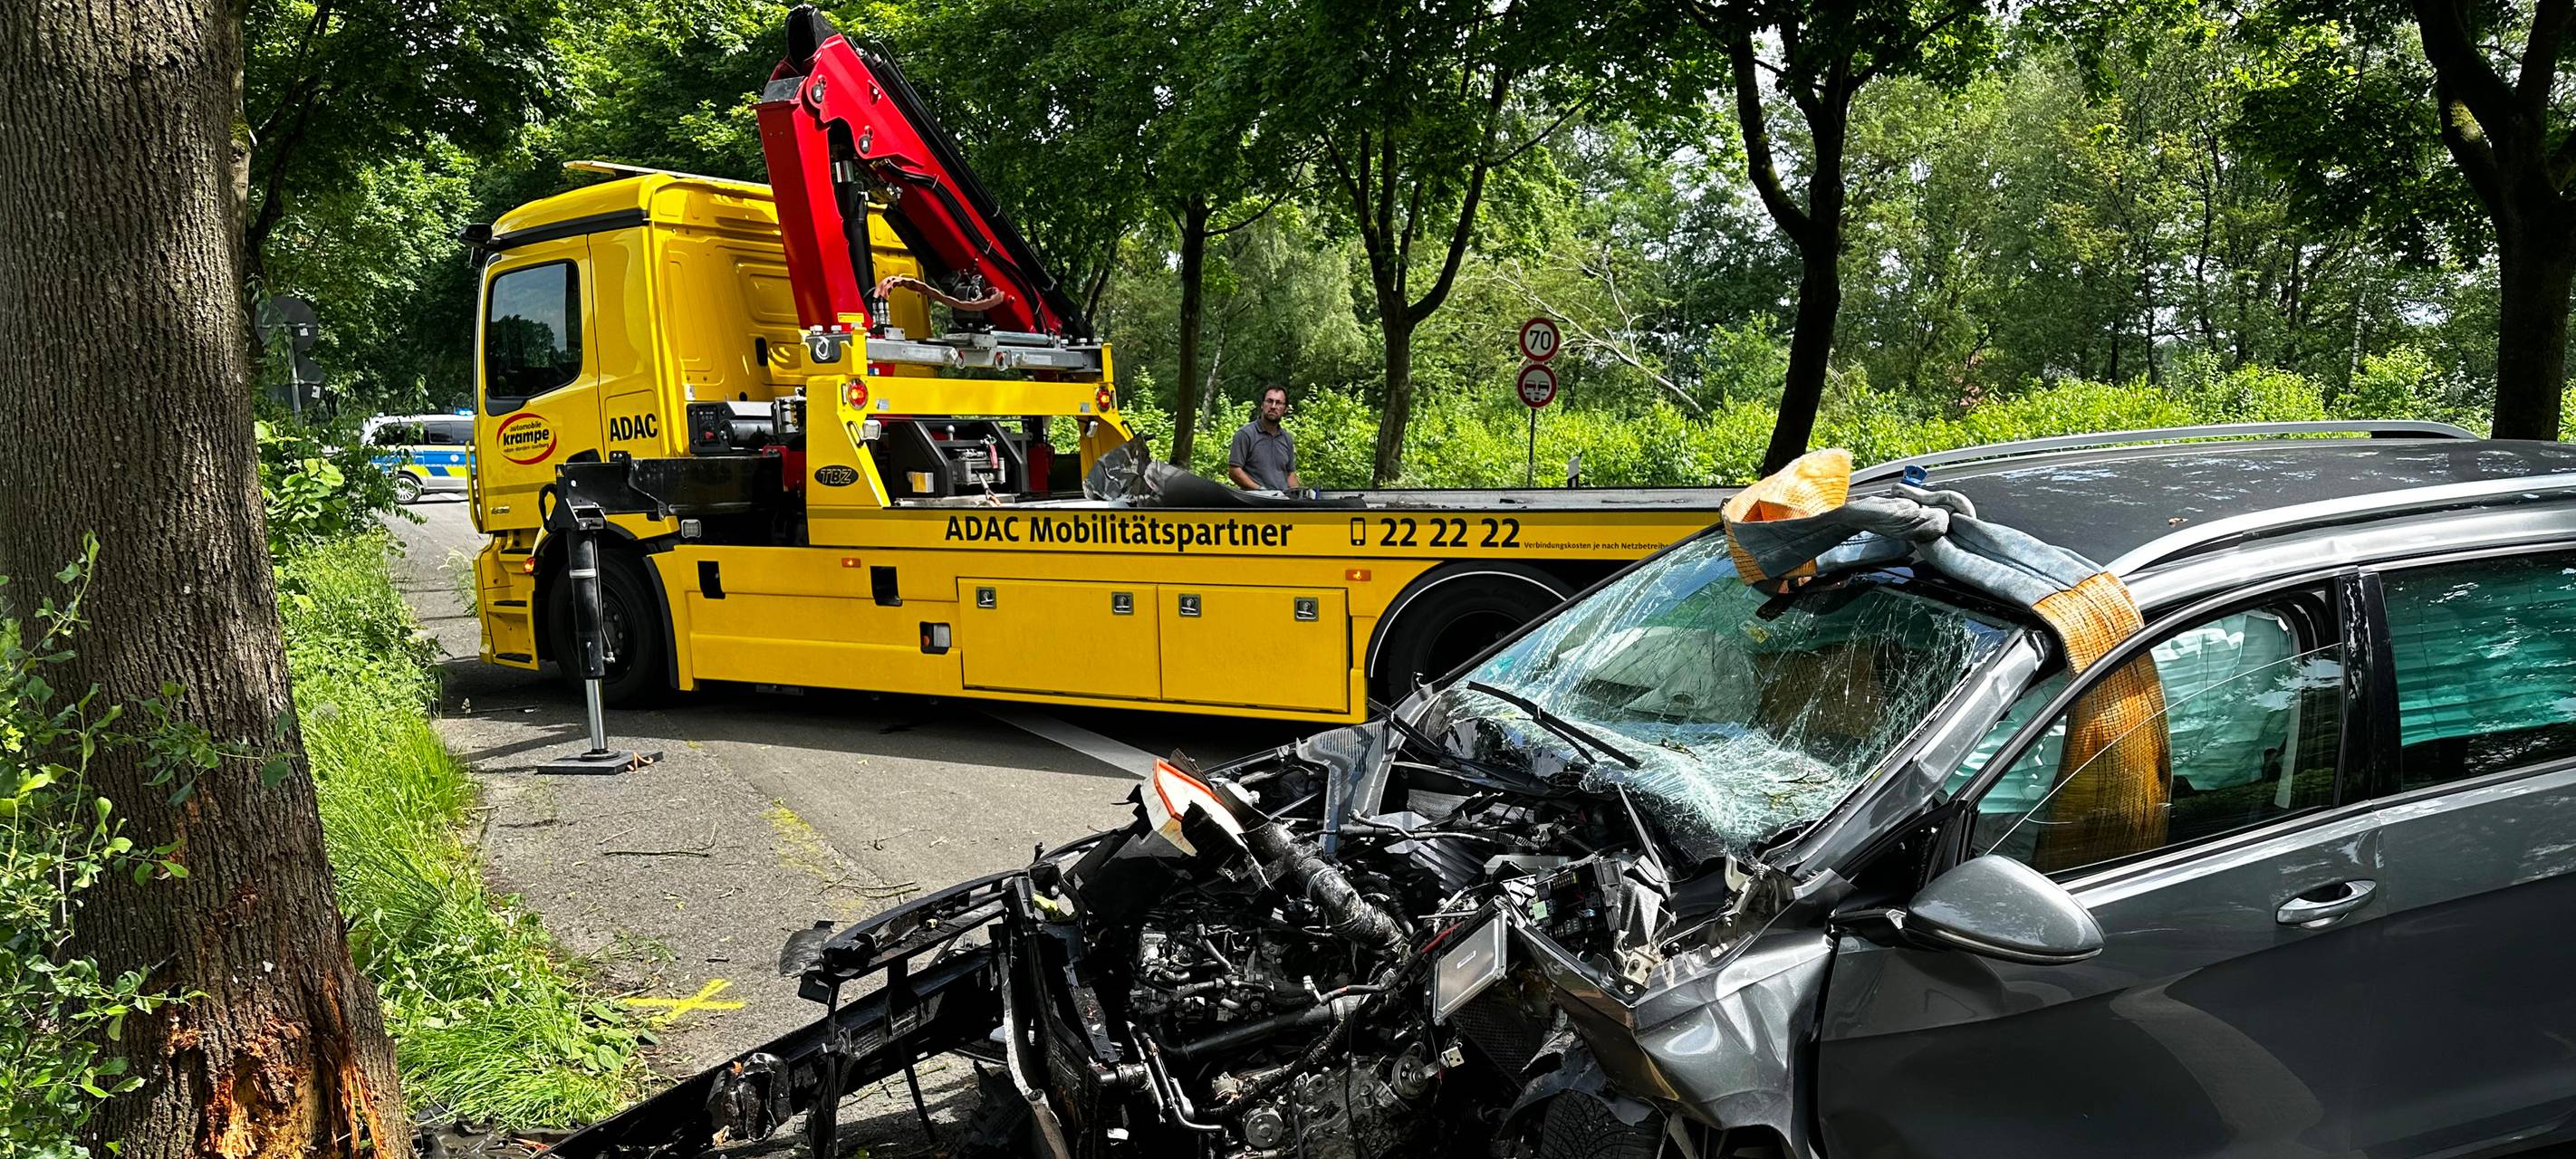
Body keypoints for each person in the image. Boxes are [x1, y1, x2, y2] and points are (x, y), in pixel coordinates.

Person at [1227, 385, 1301, 492]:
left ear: (1285, 409)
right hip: (1255, 503)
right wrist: (1261, 491)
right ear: (1262, 405)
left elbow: (1290, 474)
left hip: (1283, 503)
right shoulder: (1245, 434)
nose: (1273, 406)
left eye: (1279, 403)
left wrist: (1298, 498)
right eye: (1269, 401)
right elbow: (1234, 471)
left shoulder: (1286, 438)